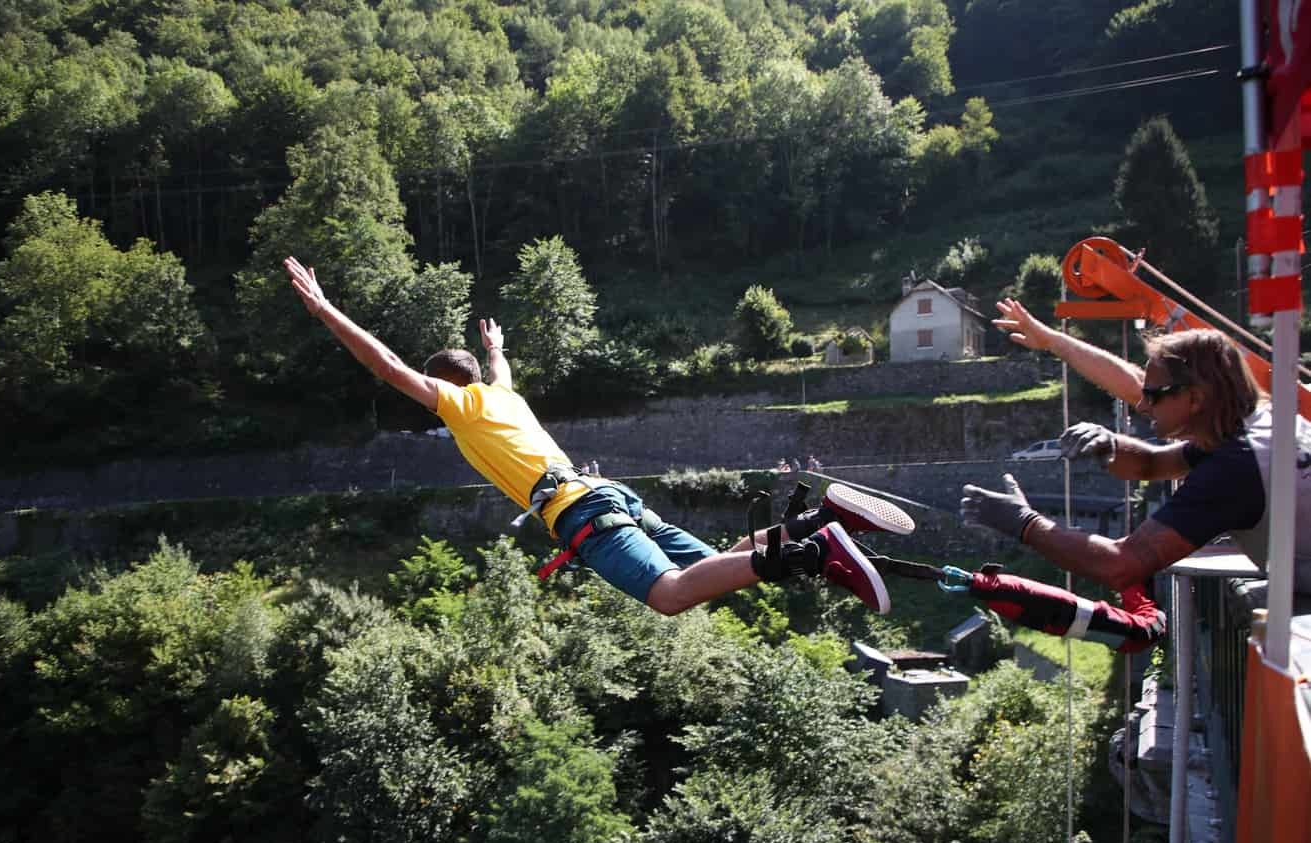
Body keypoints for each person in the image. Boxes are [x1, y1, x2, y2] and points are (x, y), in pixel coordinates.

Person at [283, 256, 916, 615]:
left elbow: (388, 367)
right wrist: (496, 348)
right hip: (608, 497)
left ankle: (812, 551)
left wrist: (325, 311)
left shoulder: (460, 405)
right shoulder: (501, 390)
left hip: (585, 513)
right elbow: (498, 366)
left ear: (442, 384)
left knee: (670, 596)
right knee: (720, 565)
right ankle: (815, 524)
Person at [961, 297, 1311, 593]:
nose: (1142, 406)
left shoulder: (1235, 469)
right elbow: (1152, 465)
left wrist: (1024, 523)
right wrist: (1108, 446)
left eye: (1154, 396)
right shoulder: (1260, 427)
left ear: (1195, 399)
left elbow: (1122, 565)